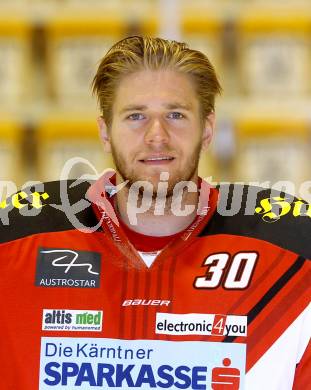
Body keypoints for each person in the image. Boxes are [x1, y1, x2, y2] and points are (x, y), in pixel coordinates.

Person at [0, 36, 310, 389]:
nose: (156, 135)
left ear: (207, 130)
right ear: (105, 132)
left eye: (175, 114)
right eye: (136, 116)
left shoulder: (292, 253)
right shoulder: (15, 240)